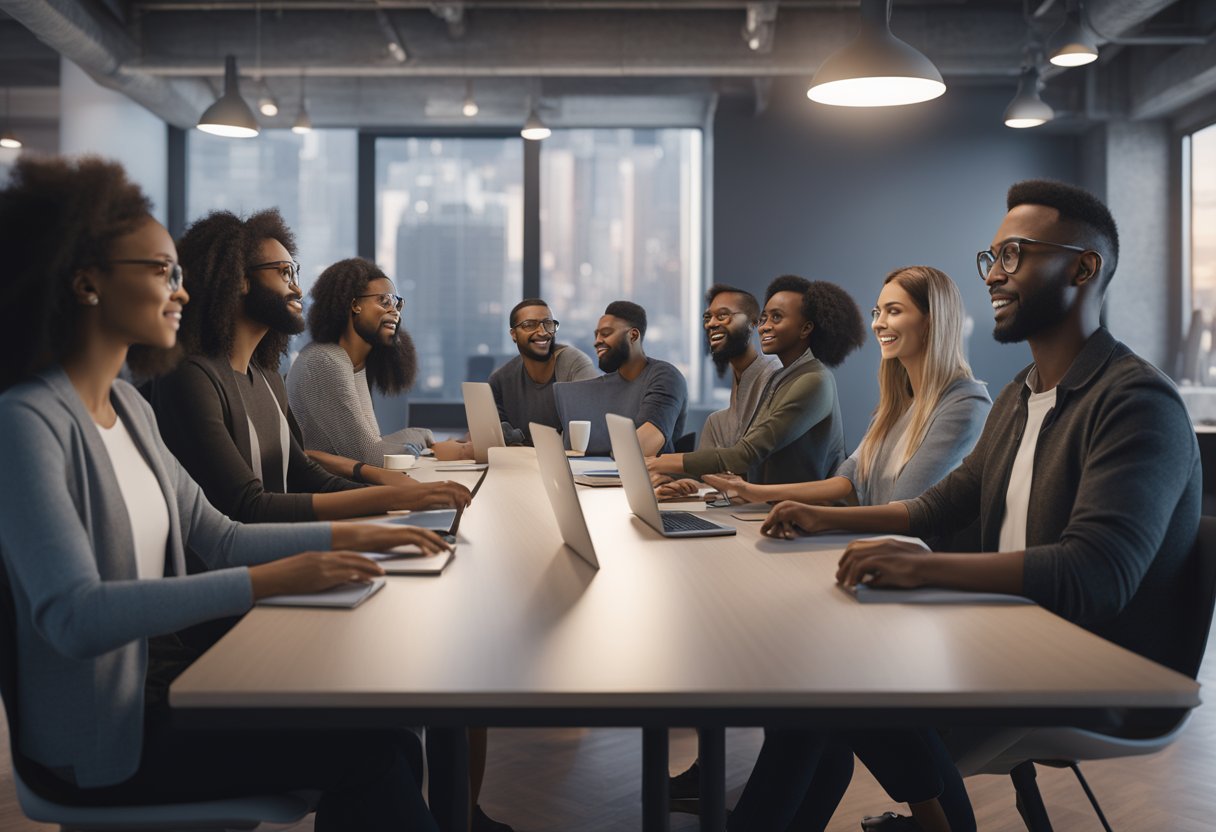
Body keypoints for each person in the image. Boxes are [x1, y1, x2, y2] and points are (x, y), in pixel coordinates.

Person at [0, 155, 451, 829]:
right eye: (160, 272)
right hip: (112, 737)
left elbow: (222, 535)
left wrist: (362, 534)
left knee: (383, 732)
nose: (181, 292)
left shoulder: (130, 408)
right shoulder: (25, 423)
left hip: (179, 687)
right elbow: (74, 616)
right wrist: (270, 580)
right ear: (86, 281)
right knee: (372, 750)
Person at [756, 180, 1201, 829]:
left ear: (1084, 267)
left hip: (1093, 671)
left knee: (825, 685)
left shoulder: (1135, 403)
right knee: (814, 685)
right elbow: (939, 506)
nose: (994, 274)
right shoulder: (1022, 395)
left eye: (1015, 254)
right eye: (989, 258)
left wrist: (923, 569)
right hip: (1008, 635)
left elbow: (1094, 574)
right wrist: (825, 516)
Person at [143, 209, 471, 523]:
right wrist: (389, 499)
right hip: (248, 570)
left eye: (295, 273)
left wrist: (396, 495)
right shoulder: (193, 379)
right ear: (240, 280)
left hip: (286, 549)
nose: (297, 288)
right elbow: (247, 507)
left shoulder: (267, 377)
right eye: (284, 272)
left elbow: (303, 472)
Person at [702, 266, 991, 511]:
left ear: (931, 322)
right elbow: (846, 483)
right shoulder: (895, 408)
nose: (878, 323)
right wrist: (756, 493)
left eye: (894, 311)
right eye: (877, 312)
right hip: (874, 551)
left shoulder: (965, 402)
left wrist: (812, 517)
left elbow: (902, 511)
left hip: (913, 565)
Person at [647, 276, 865, 486]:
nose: (764, 327)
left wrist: (660, 462)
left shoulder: (814, 381)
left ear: (806, 328)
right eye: (764, 319)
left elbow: (745, 455)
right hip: (770, 507)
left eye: (776, 318)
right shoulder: (781, 379)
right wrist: (685, 482)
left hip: (809, 515)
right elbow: (747, 457)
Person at [286, 257, 472, 464]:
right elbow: (371, 455)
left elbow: (372, 444)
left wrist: (430, 439)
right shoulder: (325, 360)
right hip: (327, 492)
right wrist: (441, 446)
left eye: (397, 303)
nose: (395, 311)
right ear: (355, 304)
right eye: (384, 301)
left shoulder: (351, 362)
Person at [563, 300, 688, 455]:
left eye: (606, 333)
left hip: (648, 477)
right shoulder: (607, 383)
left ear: (633, 335)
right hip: (601, 474)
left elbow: (641, 449)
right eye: (596, 335)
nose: (597, 341)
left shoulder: (665, 377)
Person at [487, 297, 597, 446]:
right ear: (514, 334)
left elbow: (588, 428)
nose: (543, 332)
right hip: (519, 463)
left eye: (548, 324)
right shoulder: (500, 380)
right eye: (529, 325)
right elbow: (496, 438)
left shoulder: (574, 364)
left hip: (570, 463)